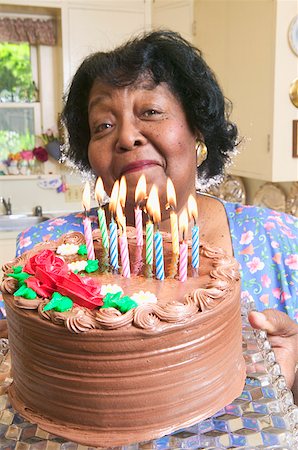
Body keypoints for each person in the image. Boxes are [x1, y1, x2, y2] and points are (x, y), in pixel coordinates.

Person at [1, 30, 298, 389]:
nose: (127, 137)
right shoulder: (45, 254)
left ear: (197, 131)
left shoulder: (281, 238)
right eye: (104, 125)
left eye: (151, 111)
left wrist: (292, 367)